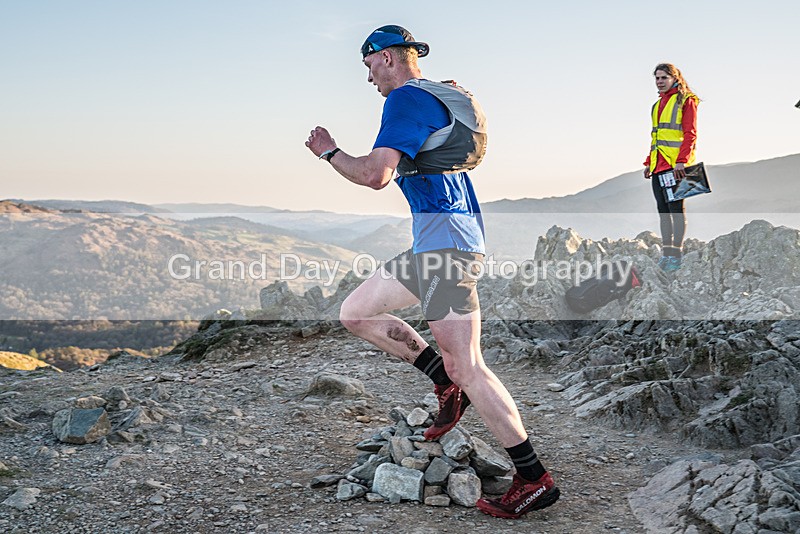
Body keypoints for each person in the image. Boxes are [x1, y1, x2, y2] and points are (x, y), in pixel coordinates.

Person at [304, 25, 559, 519]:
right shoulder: (439, 96)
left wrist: (330, 153)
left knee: (470, 366)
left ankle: (533, 478)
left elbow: (375, 174)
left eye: (368, 67)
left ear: (387, 59)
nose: (369, 79)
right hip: (433, 246)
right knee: (356, 313)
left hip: (449, 249)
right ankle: (444, 383)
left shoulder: (404, 100)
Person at [643, 63, 699, 273]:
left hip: (677, 166)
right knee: (663, 211)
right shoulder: (656, 106)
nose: (659, 81)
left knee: (676, 211)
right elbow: (656, 137)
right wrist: (649, 161)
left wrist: (682, 161)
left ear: (675, 78)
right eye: (657, 78)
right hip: (659, 166)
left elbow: (690, 134)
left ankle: (676, 255)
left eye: (664, 77)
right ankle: (666, 254)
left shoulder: (686, 100)